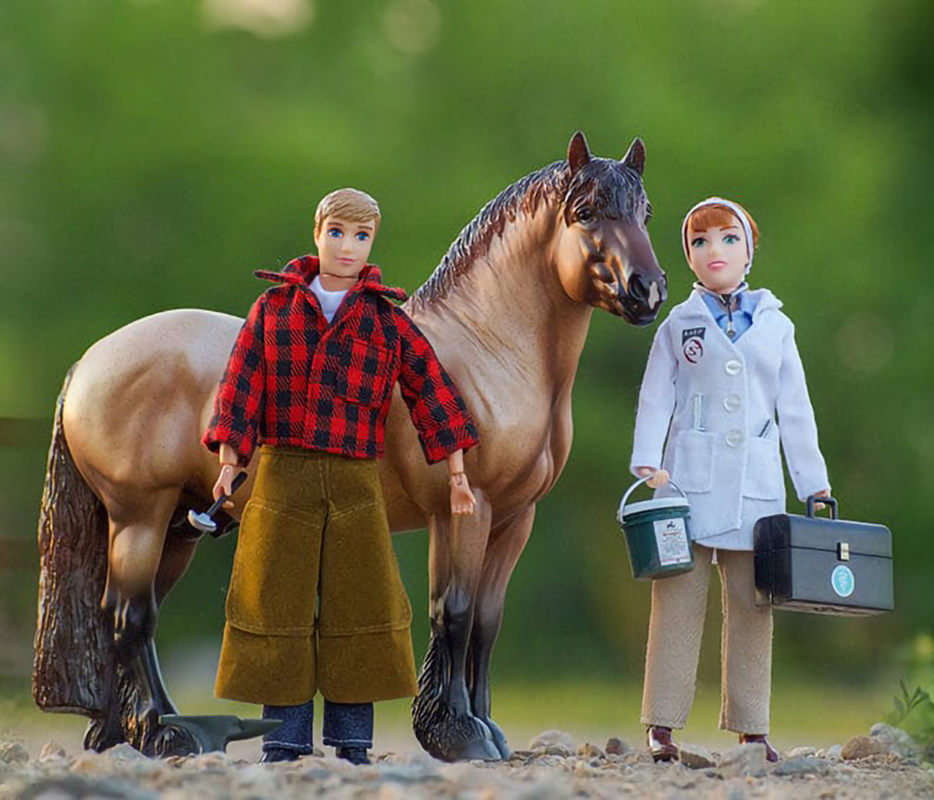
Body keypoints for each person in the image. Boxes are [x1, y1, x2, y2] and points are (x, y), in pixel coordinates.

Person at [203, 187, 480, 765]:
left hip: (357, 479)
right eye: (337, 233)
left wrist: (456, 470)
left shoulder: (386, 319)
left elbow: (429, 388)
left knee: (362, 604)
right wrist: (231, 459)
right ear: (317, 234)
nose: (348, 247)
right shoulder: (273, 310)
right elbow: (241, 383)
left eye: (361, 237)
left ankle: (353, 741)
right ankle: (283, 740)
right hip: (284, 474)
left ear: (372, 243)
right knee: (276, 601)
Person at [630, 197, 830, 764]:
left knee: (753, 604)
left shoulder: (777, 327)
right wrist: (647, 458)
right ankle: (662, 723)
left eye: (726, 239)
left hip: (756, 485)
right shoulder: (679, 324)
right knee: (676, 599)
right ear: (687, 256)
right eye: (699, 242)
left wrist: (812, 480)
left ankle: (752, 726)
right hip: (686, 480)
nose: (713, 251)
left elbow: (796, 408)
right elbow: (656, 395)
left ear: (749, 250)